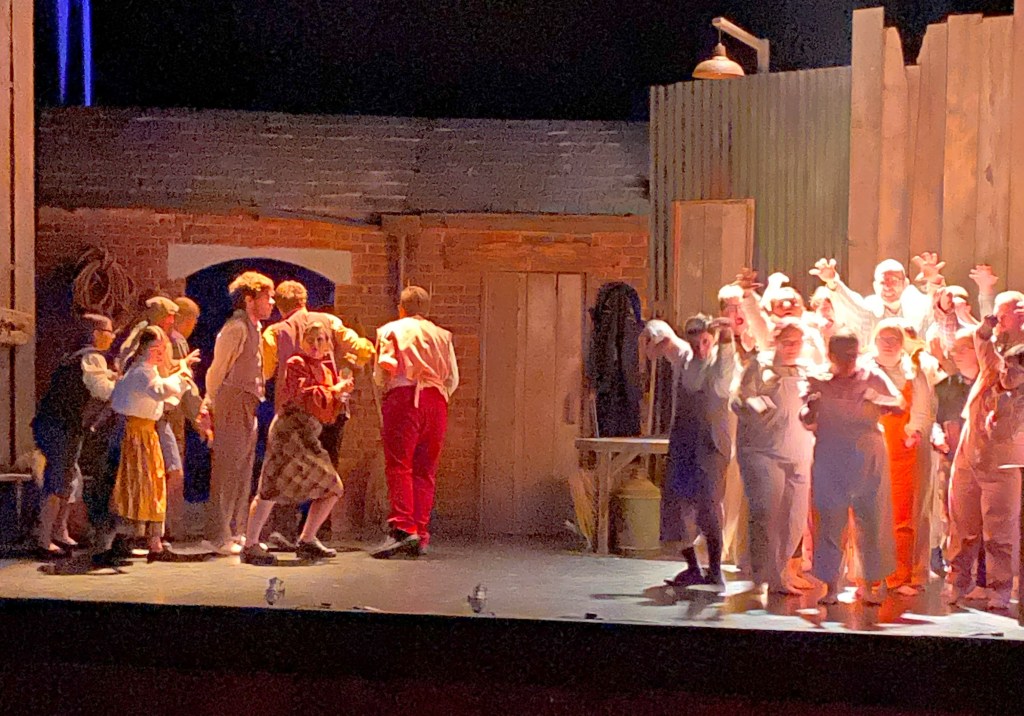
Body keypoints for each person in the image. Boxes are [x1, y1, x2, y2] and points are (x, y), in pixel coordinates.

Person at [259, 280, 373, 546]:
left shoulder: (275, 332)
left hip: (294, 415)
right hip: (329, 410)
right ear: (304, 300)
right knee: (327, 471)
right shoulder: (330, 322)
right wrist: (351, 366)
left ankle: (283, 530)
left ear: (280, 307)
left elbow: (265, 371)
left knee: (286, 470)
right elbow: (363, 348)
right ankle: (316, 533)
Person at [241, 322, 354, 565]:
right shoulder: (296, 363)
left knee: (333, 486)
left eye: (321, 340)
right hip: (289, 432)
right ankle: (250, 544)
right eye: (310, 340)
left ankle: (307, 539)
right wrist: (333, 392)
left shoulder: (327, 371)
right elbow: (302, 395)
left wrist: (340, 397)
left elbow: (327, 412)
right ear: (302, 342)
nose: (315, 345)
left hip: (309, 435)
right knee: (270, 487)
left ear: (328, 344)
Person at [803, 331, 901, 605]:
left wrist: (879, 401)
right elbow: (805, 418)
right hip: (830, 455)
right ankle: (831, 586)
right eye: (843, 356)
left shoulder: (872, 377)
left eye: (853, 355)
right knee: (829, 521)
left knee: (871, 519)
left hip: (866, 455)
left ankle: (868, 585)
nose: (849, 361)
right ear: (830, 355)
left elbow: (898, 403)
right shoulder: (817, 379)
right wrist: (811, 407)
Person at [643, 314, 735, 588]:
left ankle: (715, 570)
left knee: (708, 506)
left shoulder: (719, 365)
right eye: (695, 343)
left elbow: (725, 365)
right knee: (676, 505)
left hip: (710, 444)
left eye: (705, 342)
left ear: (712, 340)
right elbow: (660, 331)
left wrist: (727, 336)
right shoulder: (685, 359)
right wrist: (655, 338)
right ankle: (692, 567)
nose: (700, 348)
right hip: (684, 441)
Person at [370, 286, 459, 559]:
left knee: (399, 466)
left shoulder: (390, 330)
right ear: (427, 310)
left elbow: (380, 374)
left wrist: (388, 395)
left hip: (404, 397)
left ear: (401, 308)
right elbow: (453, 378)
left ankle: (402, 528)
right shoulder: (443, 335)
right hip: (437, 401)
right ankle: (420, 532)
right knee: (425, 469)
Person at [944, 317, 1024, 611]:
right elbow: (982, 341)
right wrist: (988, 327)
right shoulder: (991, 372)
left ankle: (999, 589)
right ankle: (957, 581)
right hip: (968, 460)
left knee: (999, 533)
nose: (1009, 373)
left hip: (1001, 469)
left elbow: (1003, 433)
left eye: (1018, 370)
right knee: (962, 527)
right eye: (1008, 366)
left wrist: (1005, 408)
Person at [734, 320, 814, 594]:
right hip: (763, 450)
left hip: (798, 450)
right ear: (776, 341)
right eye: (787, 342)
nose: (792, 347)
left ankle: (782, 571)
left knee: (794, 517)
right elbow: (738, 398)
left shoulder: (807, 370)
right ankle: (767, 574)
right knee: (767, 513)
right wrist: (753, 404)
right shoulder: (759, 365)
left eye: (797, 342)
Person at [108, 326, 200, 561]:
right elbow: (159, 391)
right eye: (155, 349)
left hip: (146, 434)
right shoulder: (140, 372)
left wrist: (181, 373)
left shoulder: (149, 372)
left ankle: (153, 541)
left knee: (154, 483)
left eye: (162, 349)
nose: (160, 354)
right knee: (135, 484)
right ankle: (127, 537)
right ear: (143, 349)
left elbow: (166, 398)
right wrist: (181, 375)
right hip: (135, 435)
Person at [200, 271, 275, 556]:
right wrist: (210, 403)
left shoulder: (255, 328)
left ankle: (237, 530)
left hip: (249, 402)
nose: (271, 303)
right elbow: (217, 369)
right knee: (227, 467)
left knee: (243, 469)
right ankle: (217, 534)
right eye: (266, 297)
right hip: (232, 400)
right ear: (249, 299)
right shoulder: (236, 328)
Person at [31, 313, 117, 560]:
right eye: (109, 332)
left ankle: (60, 531)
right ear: (96, 334)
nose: (112, 337)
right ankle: (44, 538)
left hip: (60, 424)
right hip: (62, 425)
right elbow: (100, 389)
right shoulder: (91, 357)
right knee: (59, 480)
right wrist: (121, 385)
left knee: (69, 479)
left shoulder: (75, 357)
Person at [865, 319, 935, 595]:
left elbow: (922, 407)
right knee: (867, 514)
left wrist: (914, 430)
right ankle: (868, 578)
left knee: (902, 514)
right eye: (883, 338)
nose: (889, 344)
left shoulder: (913, 371)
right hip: (867, 448)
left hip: (901, 448)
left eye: (894, 338)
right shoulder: (863, 369)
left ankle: (899, 576)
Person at [809, 253, 945, 346]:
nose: (887, 287)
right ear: (875, 286)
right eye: (882, 282)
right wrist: (832, 281)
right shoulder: (869, 309)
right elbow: (849, 303)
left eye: (894, 281)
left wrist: (934, 280)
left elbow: (937, 308)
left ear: (905, 284)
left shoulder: (918, 305)